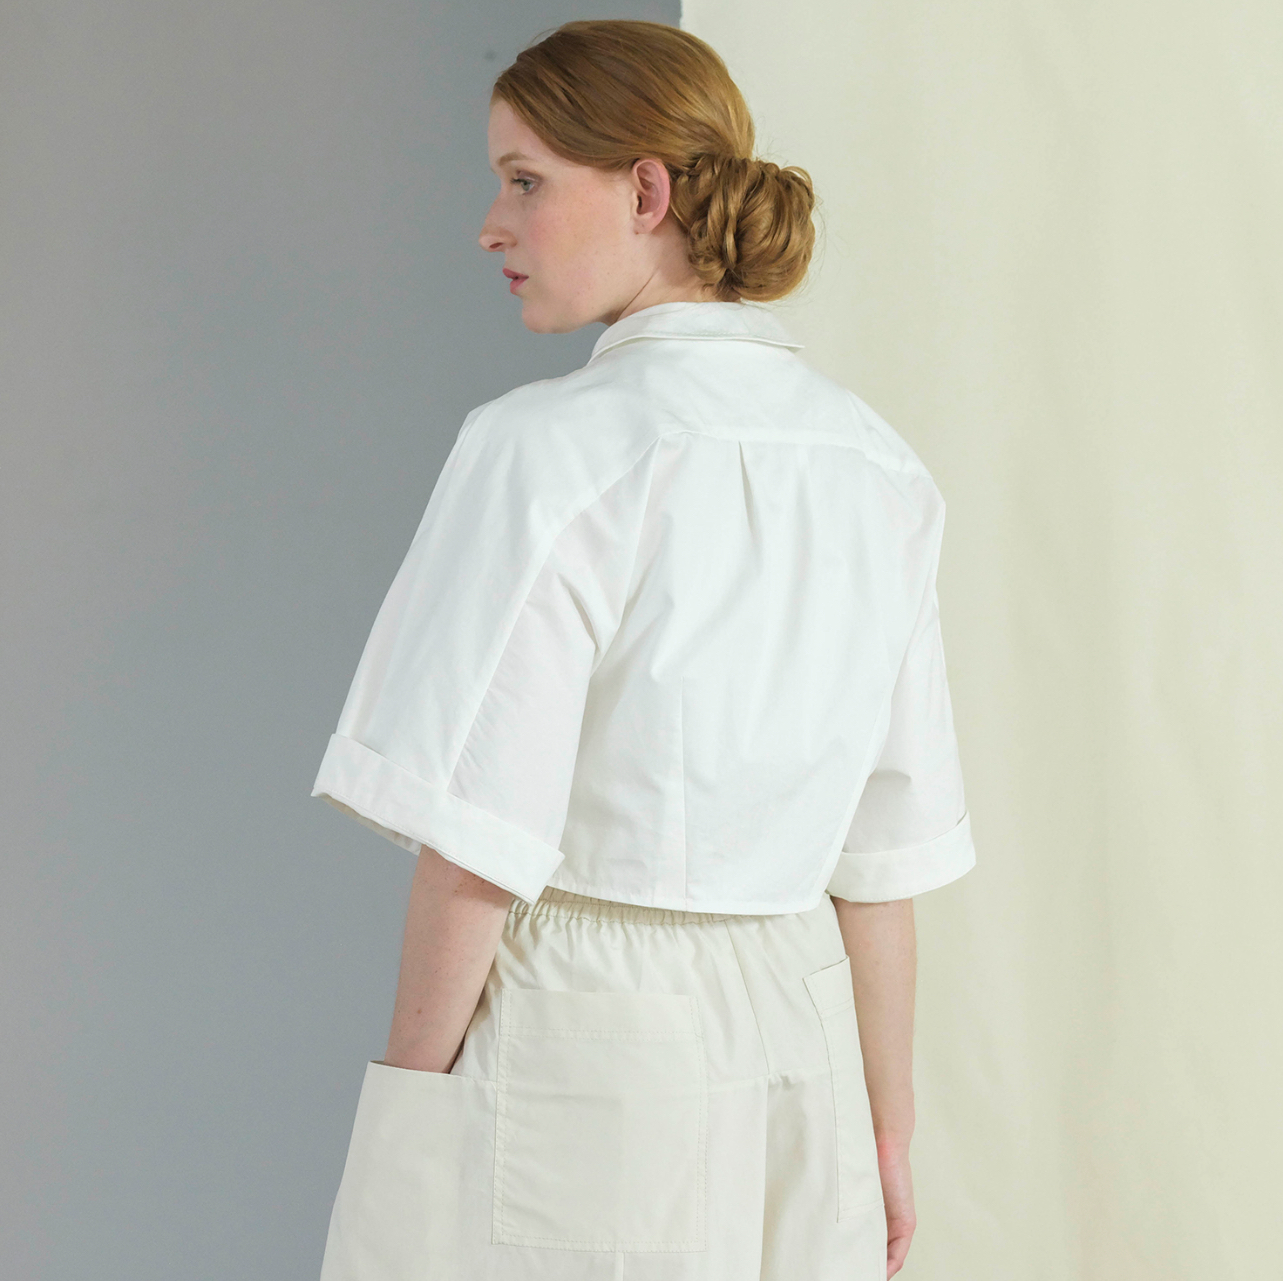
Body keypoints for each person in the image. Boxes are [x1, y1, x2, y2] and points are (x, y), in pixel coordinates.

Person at [309, 19, 975, 1281]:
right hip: (806, 1034)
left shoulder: (544, 451)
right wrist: (886, 1136)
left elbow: (478, 840)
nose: (492, 226)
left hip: (591, 1032)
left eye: (524, 180)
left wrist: (405, 1121)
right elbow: (880, 862)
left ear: (648, 191)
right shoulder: (879, 467)